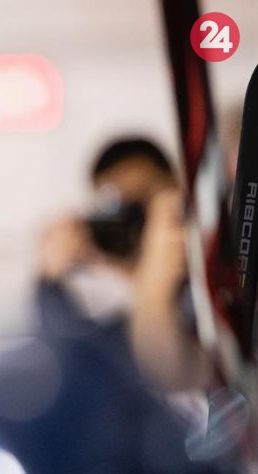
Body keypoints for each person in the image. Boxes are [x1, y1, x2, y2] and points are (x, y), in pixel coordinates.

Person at [37, 136, 210, 392]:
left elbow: (190, 374)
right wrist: (49, 283)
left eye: (143, 201)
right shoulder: (99, 318)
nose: (134, 223)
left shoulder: (212, 273)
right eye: (116, 207)